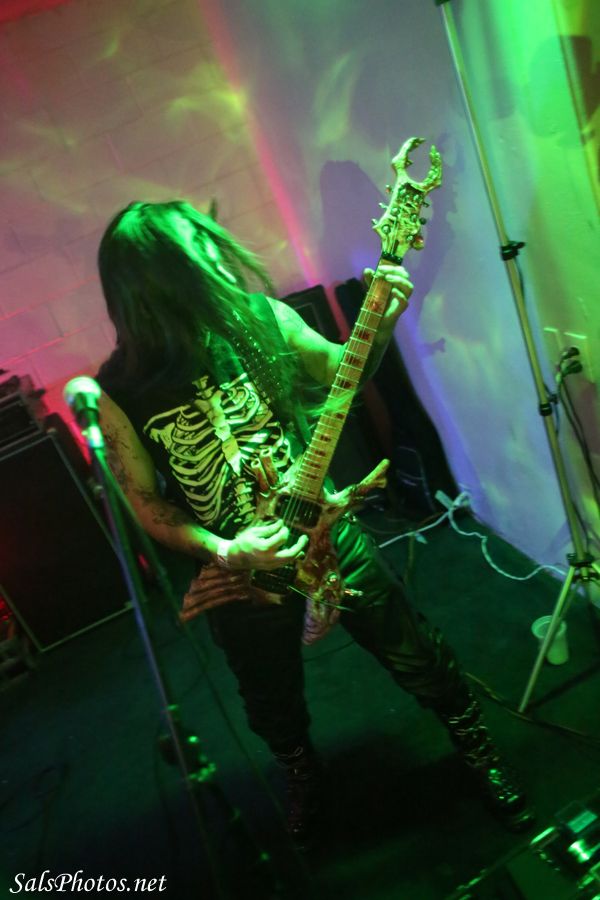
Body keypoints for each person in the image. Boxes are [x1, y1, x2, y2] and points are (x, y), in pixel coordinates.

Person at [95, 199, 532, 844]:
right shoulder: (121, 390)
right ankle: (302, 773)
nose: (218, 257)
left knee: (414, 650)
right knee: (268, 698)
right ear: (156, 280)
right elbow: (143, 501)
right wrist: (224, 547)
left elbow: (340, 368)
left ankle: (476, 747)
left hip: (327, 528)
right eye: (199, 251)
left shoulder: (259, 316)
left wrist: (378, 325)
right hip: (240, 569)